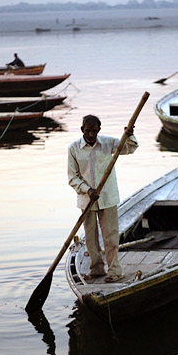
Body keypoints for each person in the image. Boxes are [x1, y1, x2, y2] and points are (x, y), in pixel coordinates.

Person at [68, 114, 139, 283]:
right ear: (82, 130)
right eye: (87, 131)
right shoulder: (74, 148)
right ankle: (97, 269)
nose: (91, 135)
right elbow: (73, 177)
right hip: (87, 200)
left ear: (98, 130)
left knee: (111, 236)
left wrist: (128, 135)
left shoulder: (108, 143)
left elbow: (130, 148)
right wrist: (87, 190)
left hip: (107, 198)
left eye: (93, 131)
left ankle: (114, 271)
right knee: (90, 238)